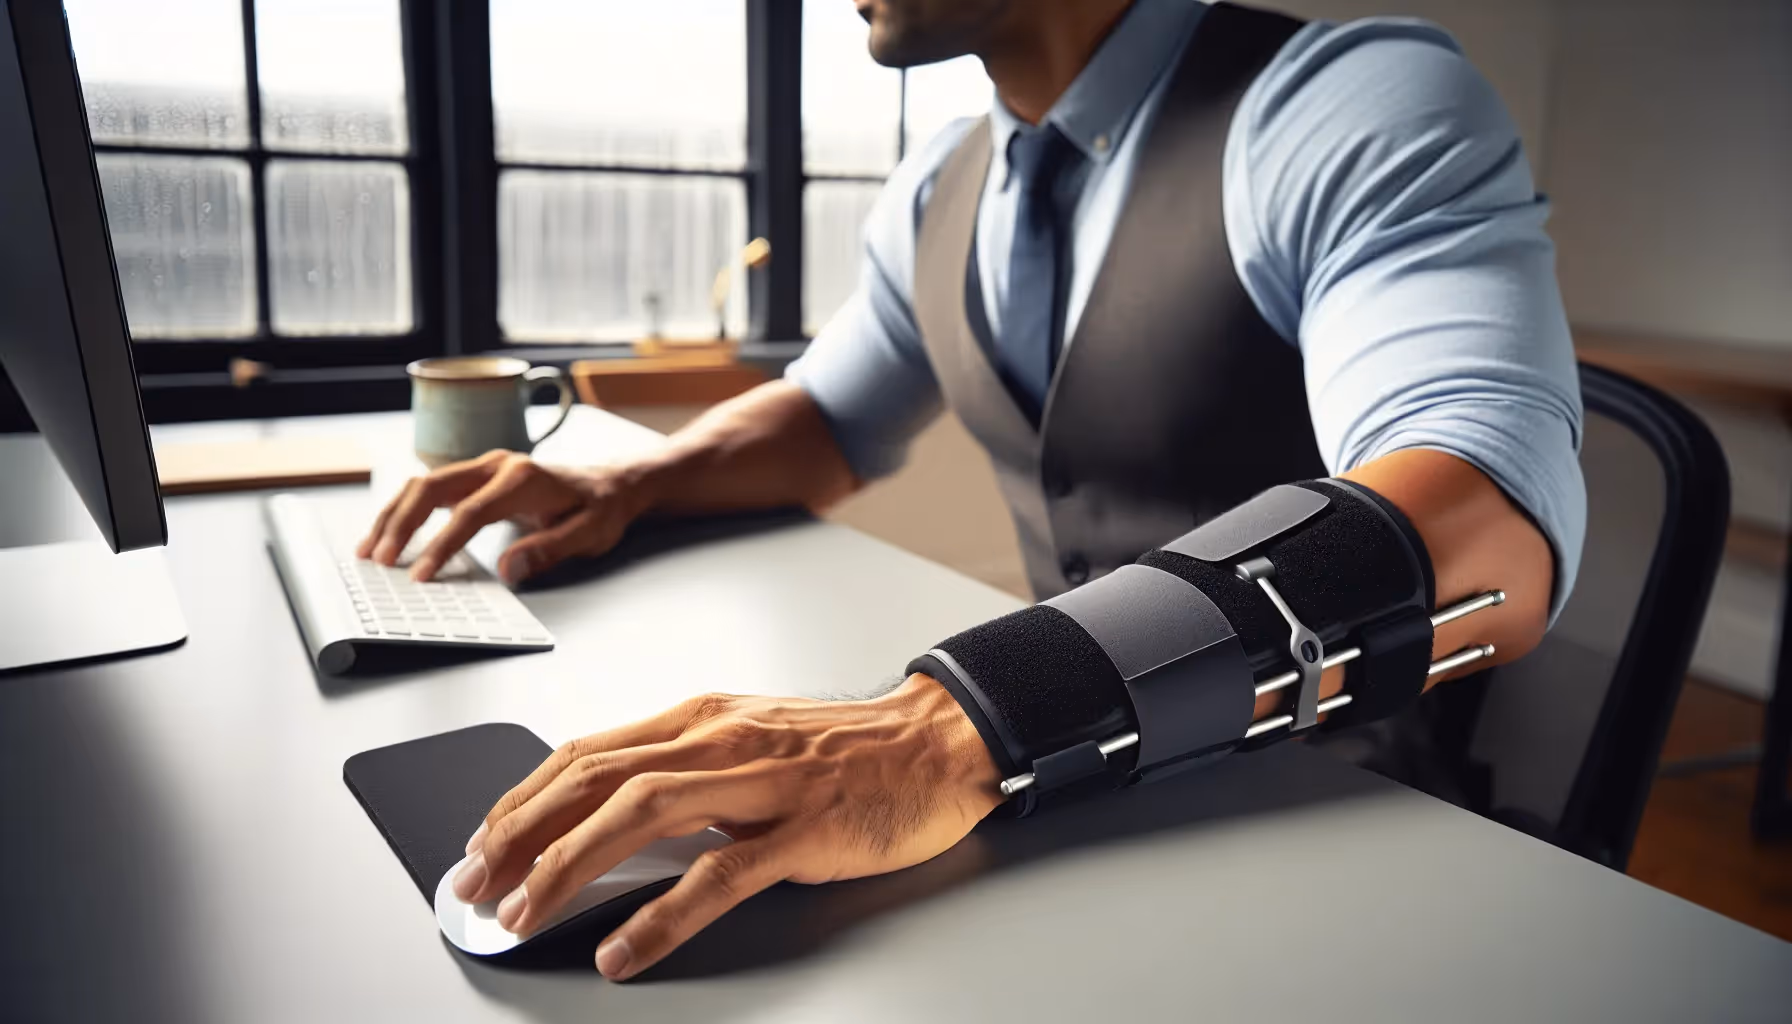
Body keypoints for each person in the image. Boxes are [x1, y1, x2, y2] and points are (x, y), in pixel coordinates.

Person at [360, 0, 1583, 980]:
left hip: (1329, 822)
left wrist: (962, 720)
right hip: (1049, 809)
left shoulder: (1342, 104)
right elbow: (828, 415)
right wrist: (635, 477)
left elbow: (1486, 507)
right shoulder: (944, 182)